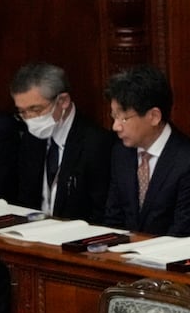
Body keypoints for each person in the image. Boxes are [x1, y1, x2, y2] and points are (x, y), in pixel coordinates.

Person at [101, 64, 190, 237]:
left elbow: (184, 233)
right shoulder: (121, 153)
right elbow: (113, 219)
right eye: (114, 116)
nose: (115, 126)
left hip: (172, 259)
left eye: (123, 118)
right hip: (123, 258)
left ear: (154, 116)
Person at [10, 61, 114, 221]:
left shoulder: (96, 143)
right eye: (22, 112)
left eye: (35, 109)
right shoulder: (32, 138)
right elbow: (25, 198)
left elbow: (101, 212)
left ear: (63, 101)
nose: (30, 119)